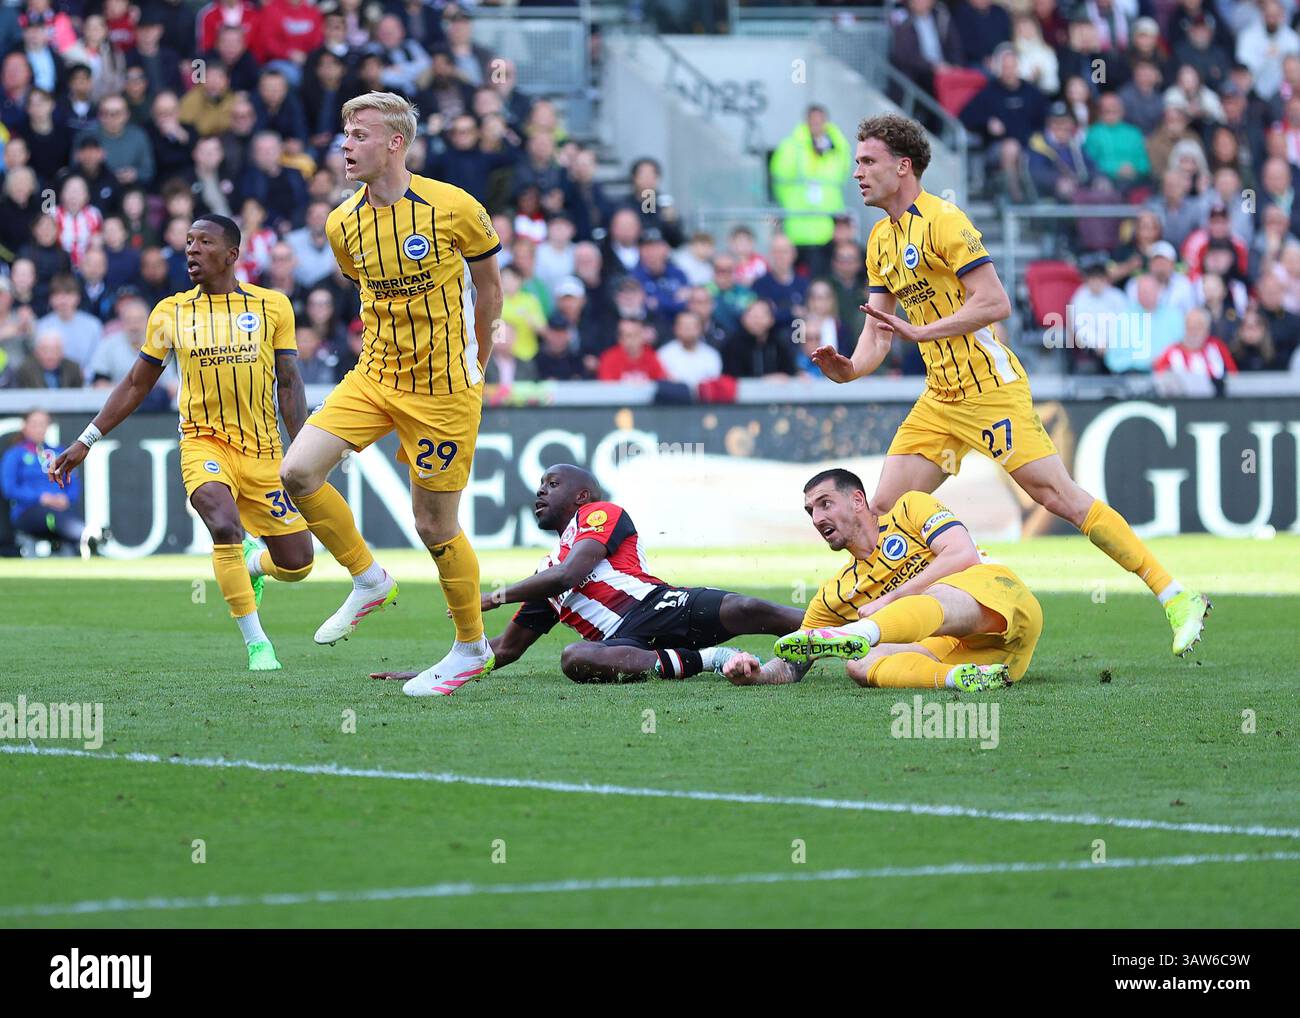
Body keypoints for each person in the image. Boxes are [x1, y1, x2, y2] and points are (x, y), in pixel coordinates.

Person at [811, 113, 1211, 658]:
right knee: (880, 511)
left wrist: (923, 330)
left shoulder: (945, 222)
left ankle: (1175, 594)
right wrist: (849, 369)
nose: (856, 172)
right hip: (939, 398)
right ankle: (936, 617)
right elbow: (878, 334)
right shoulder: (880, 239)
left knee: (1059, 498)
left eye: (867, 161)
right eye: (856, 162)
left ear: (902, 167)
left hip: (989, 389)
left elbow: (995, 303)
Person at [279, 91, 503, 698]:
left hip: (442, 392)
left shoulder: (454, 208)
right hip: (373, 378)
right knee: (296, 474)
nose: (345, 146)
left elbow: (489, 287)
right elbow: (364, 287)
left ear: (394, 143)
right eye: (345, 134)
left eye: (358, 135)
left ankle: (469, 647)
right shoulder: (342, 222)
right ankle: (369, 578)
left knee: (434, 526)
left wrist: (478, 360)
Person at [49, 215, 315, 671]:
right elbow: (136, 384)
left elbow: (288, 383)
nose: (191, 249)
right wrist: (87, 439)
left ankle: (253, 566)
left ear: (232, 255)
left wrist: (304, 450)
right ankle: (257, 645)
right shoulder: (170, 312)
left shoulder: (273, 306)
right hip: (203, 442)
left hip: (265, 448)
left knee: (298, 563)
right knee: (224, 525)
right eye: (188, 241)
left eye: (204, 242)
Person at [372, 465, 805, 692]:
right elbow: (503, 650)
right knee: (577, 659)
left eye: (552, 483)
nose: (541, 491)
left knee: (747, 608)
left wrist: (495, 596)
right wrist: (429, 673)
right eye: (541, 484)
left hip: (660, 606)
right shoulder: (543, 577)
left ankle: (829, 630)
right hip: (625, 643)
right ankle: (711, 662)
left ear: (582, 496)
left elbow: (571, 574)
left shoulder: (599, 514)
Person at [723, 469, 1041, 692]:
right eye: (810, 512)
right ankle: (961, 679)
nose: (817, 518)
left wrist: (889, 600)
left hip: (1004, 604)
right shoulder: (836, 594)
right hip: (987, 656)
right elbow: (794, 661)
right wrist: (757, 675)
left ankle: (862, 631)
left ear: (858, 501)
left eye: (825, 503)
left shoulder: (909, 509)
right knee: (860, 665)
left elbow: (962, 555)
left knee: (939, 593)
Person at [1, 409, 101, 556]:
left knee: (59, 516)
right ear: (25, 426)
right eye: (35, 424)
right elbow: (9, 488)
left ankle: (84, 539)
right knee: (51, 517)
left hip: (61, 510)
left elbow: (73, 483)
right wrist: (41, 498)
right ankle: (84, 534)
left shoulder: (59, 452)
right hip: (27, 512)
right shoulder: (15, 454)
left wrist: (66, 499)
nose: (39, 428)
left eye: (43, 424)